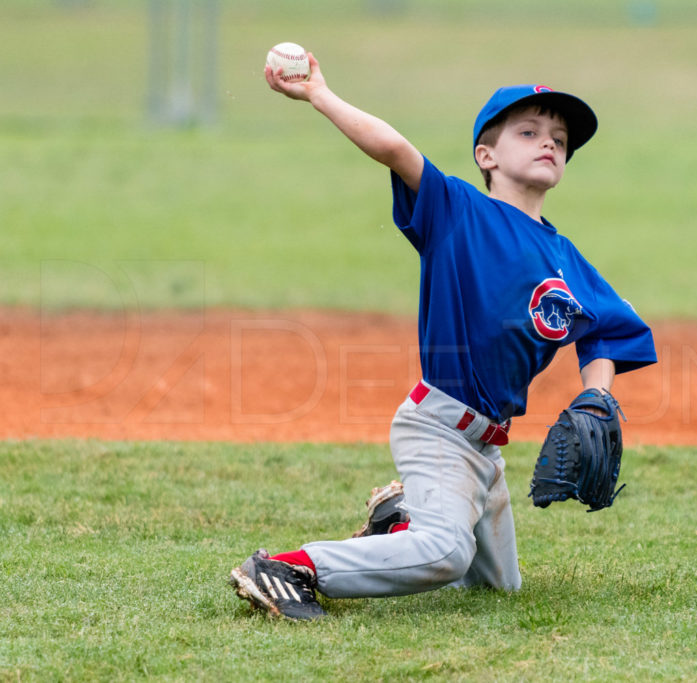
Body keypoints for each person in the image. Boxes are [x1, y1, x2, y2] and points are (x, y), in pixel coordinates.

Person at [229, 53, 657, 621]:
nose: (548, 142)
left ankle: (401, 519)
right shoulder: (457, 211)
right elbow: (396, 150)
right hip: (438, 427)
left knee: (498, 593)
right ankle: (287, 568)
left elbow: (607, 332)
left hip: (488, 448)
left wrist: (598, 396)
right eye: (527, 132)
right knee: (448, 554)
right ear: (487, 156)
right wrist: (319, 95)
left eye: (559, 137)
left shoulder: (566, 260)